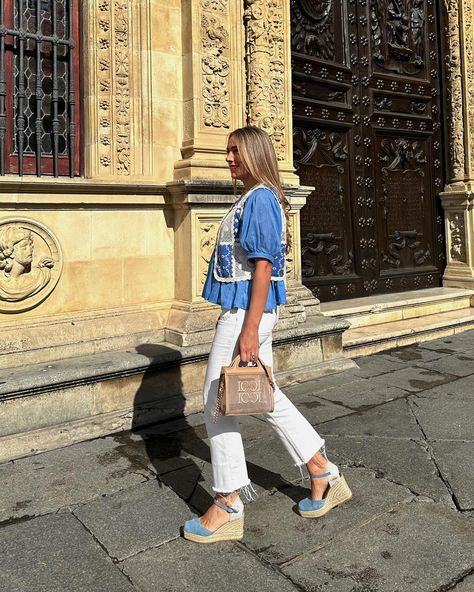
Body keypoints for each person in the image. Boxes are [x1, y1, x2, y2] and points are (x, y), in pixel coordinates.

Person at [183, 126, 352, 543]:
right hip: (246, 312)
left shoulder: (259, 198)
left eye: (235, 151)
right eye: (227, 152)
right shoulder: (254, 196)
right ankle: (322, 471)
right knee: (261, 396)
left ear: (254, 153)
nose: (228, 158)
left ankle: (227, 501)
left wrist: (250, 331)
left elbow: (262, 268)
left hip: (245, 313)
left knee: (218, 402)